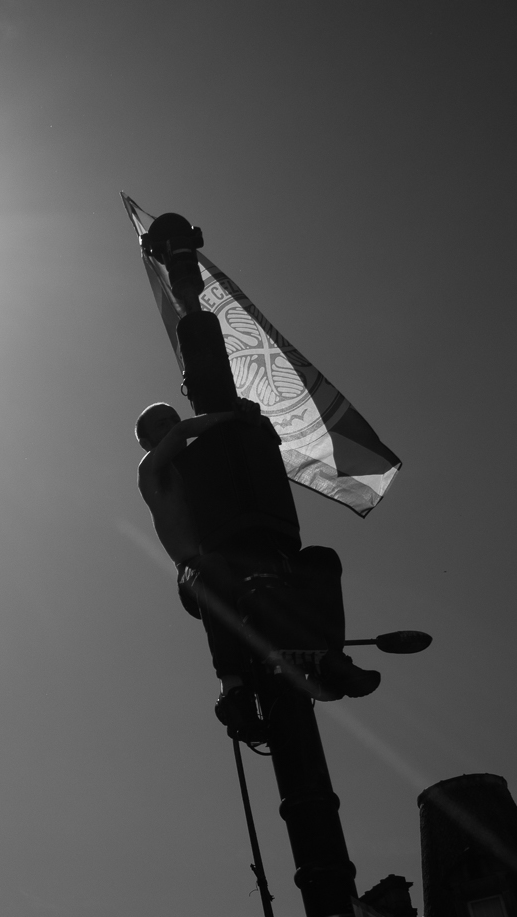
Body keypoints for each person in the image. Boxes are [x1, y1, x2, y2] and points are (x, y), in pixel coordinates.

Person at [132, 212, 377, 739]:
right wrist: (228, 417)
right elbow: (184, 432)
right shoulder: (154, 471)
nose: (176, 427)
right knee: (217, 571)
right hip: (201, 570)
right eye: (164, 425)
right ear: (150, 440)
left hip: (244, 550)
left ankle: (327, 656)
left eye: (174, 417)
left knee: (319, 562)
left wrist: (250, 427)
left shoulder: (205, 468)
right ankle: (234, 686)